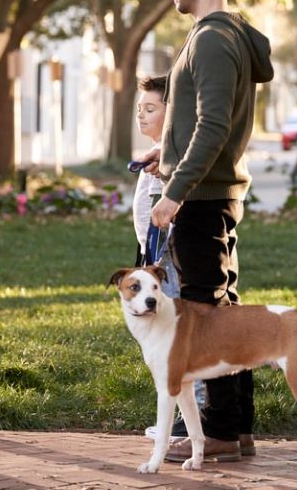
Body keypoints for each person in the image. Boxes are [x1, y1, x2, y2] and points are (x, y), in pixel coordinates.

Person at [147, 0, 274, 463]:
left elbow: (214, 125)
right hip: (208, 190)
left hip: (202, 198)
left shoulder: (213, 39)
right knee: (223, 308)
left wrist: (175, 191)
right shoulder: (225, 35)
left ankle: (219, 431)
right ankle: (236, 428)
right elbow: (202, 123)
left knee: (207, 312)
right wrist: (169, 158)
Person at [133, 75, 206, 440]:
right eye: (139, 109)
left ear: (172, 112)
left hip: (171, 258)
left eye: (150, 109)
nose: (141, 116)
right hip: (157, 259)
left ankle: (193, 417)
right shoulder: (158, 151)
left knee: (180, 336)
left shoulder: (172, 155)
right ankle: (185, 415)